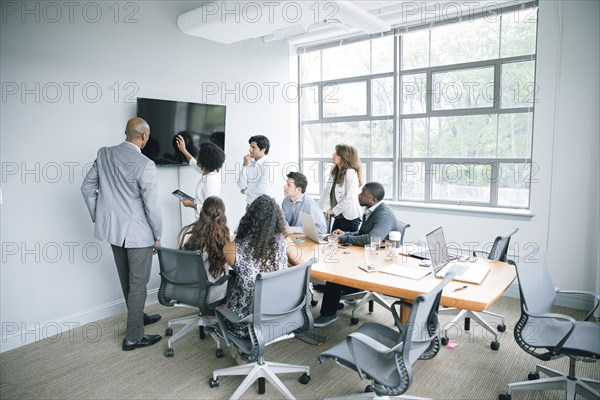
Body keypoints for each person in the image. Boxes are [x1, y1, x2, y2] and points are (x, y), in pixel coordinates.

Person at [81, 117, 163, 351]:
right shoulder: (145, 164)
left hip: (114, 232)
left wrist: (103, 216)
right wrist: (158, 235)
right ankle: (133, 337)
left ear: (126, 132)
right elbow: (152, 207)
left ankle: (137, 316)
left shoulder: (104, 154)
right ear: (144, 137)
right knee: (138, 284)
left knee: (127, 279)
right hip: (139, 234)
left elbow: (87, 188)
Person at [313, 182, 399, 328]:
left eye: (363, 194)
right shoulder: (371, 209)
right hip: (369, 253)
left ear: (372, 200)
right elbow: (362, 233)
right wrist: (346, 233)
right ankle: (341, 293)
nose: (359, 195)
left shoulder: (383, 214)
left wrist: (342, 238)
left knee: (337, 270)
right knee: (338, 264)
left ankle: (328, 314)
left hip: (380, 258)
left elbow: (372, 239)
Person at [223, 195, 302, 339]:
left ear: (249, 218)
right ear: (277, 220)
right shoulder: (285, 241)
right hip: (281, 316)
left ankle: (242, 351)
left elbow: (240, 271)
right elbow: (301, 264)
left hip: (246, 323)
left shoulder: (232, 249)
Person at [176, 196, 231, 304]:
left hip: (185, 289)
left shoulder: (187, 232)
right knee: (233, 276)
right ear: (222, 215)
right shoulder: (226, 236)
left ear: (202, 212)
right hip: (210, 293)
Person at [175, 136, 225, 217]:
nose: (196, 156)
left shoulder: (210, 181)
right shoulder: (211, 170)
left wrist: (191, 204)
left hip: (206, 224)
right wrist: (184, 150)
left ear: (205, 159)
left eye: (198, 155)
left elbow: (212, 210)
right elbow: (196, 165)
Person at [318, 144, 363, 233]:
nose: (333, 155)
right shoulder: (334, 171)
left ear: (344, 157)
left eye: (337, 153)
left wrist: (333, 210)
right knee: (332, 241)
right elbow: (326, 191)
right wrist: (317, 208)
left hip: (350, 217)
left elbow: (349, 198)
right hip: (338, 216)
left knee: (345, 245)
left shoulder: (351, 173)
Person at [237, 135, 275, 205]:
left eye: (253, 147)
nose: (250, 150)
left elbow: (262, 190)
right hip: (249, 205)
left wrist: (245, 191)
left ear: (263, 150)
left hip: (263, 206)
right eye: (250, 147)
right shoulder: (249, 161)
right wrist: (245, 165)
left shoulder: (269, 165)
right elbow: (241, 185)